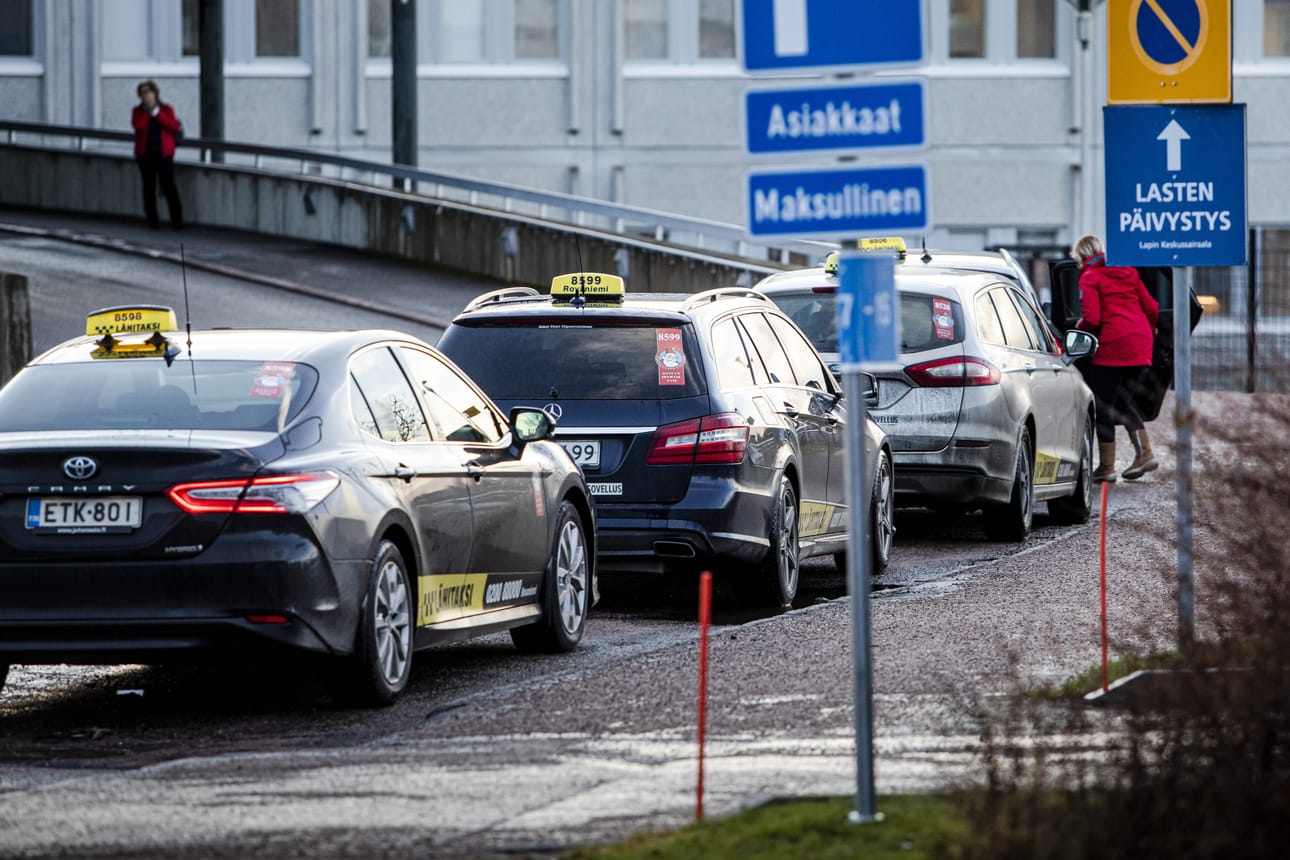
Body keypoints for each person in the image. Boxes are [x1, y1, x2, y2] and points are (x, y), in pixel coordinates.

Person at [1072, 234, 1160, 482]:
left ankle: (1107, 467)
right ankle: (1146, 454)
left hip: (1113, 345)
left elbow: (1093, 318)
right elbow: (1152, 307)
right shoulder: (1129, 271)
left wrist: (1079, 328)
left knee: (1104, 405)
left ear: (1081, 258)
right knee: (1122, 400)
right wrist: (1150, 331)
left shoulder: (1090, 277)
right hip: (1141, 343)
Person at [131, 79, 184, 230]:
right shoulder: (138, 111)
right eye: (142, 94)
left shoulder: (166, 109)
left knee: (169, 187)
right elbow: (138, 126)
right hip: (145, 155)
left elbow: (173, 126)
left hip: (164, 154)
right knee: (149, 188)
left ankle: (177, 222)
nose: (145, 96)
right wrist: (148, 113)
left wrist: (156, 112)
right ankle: (152, 222)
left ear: (155, 93)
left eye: (148, 92)